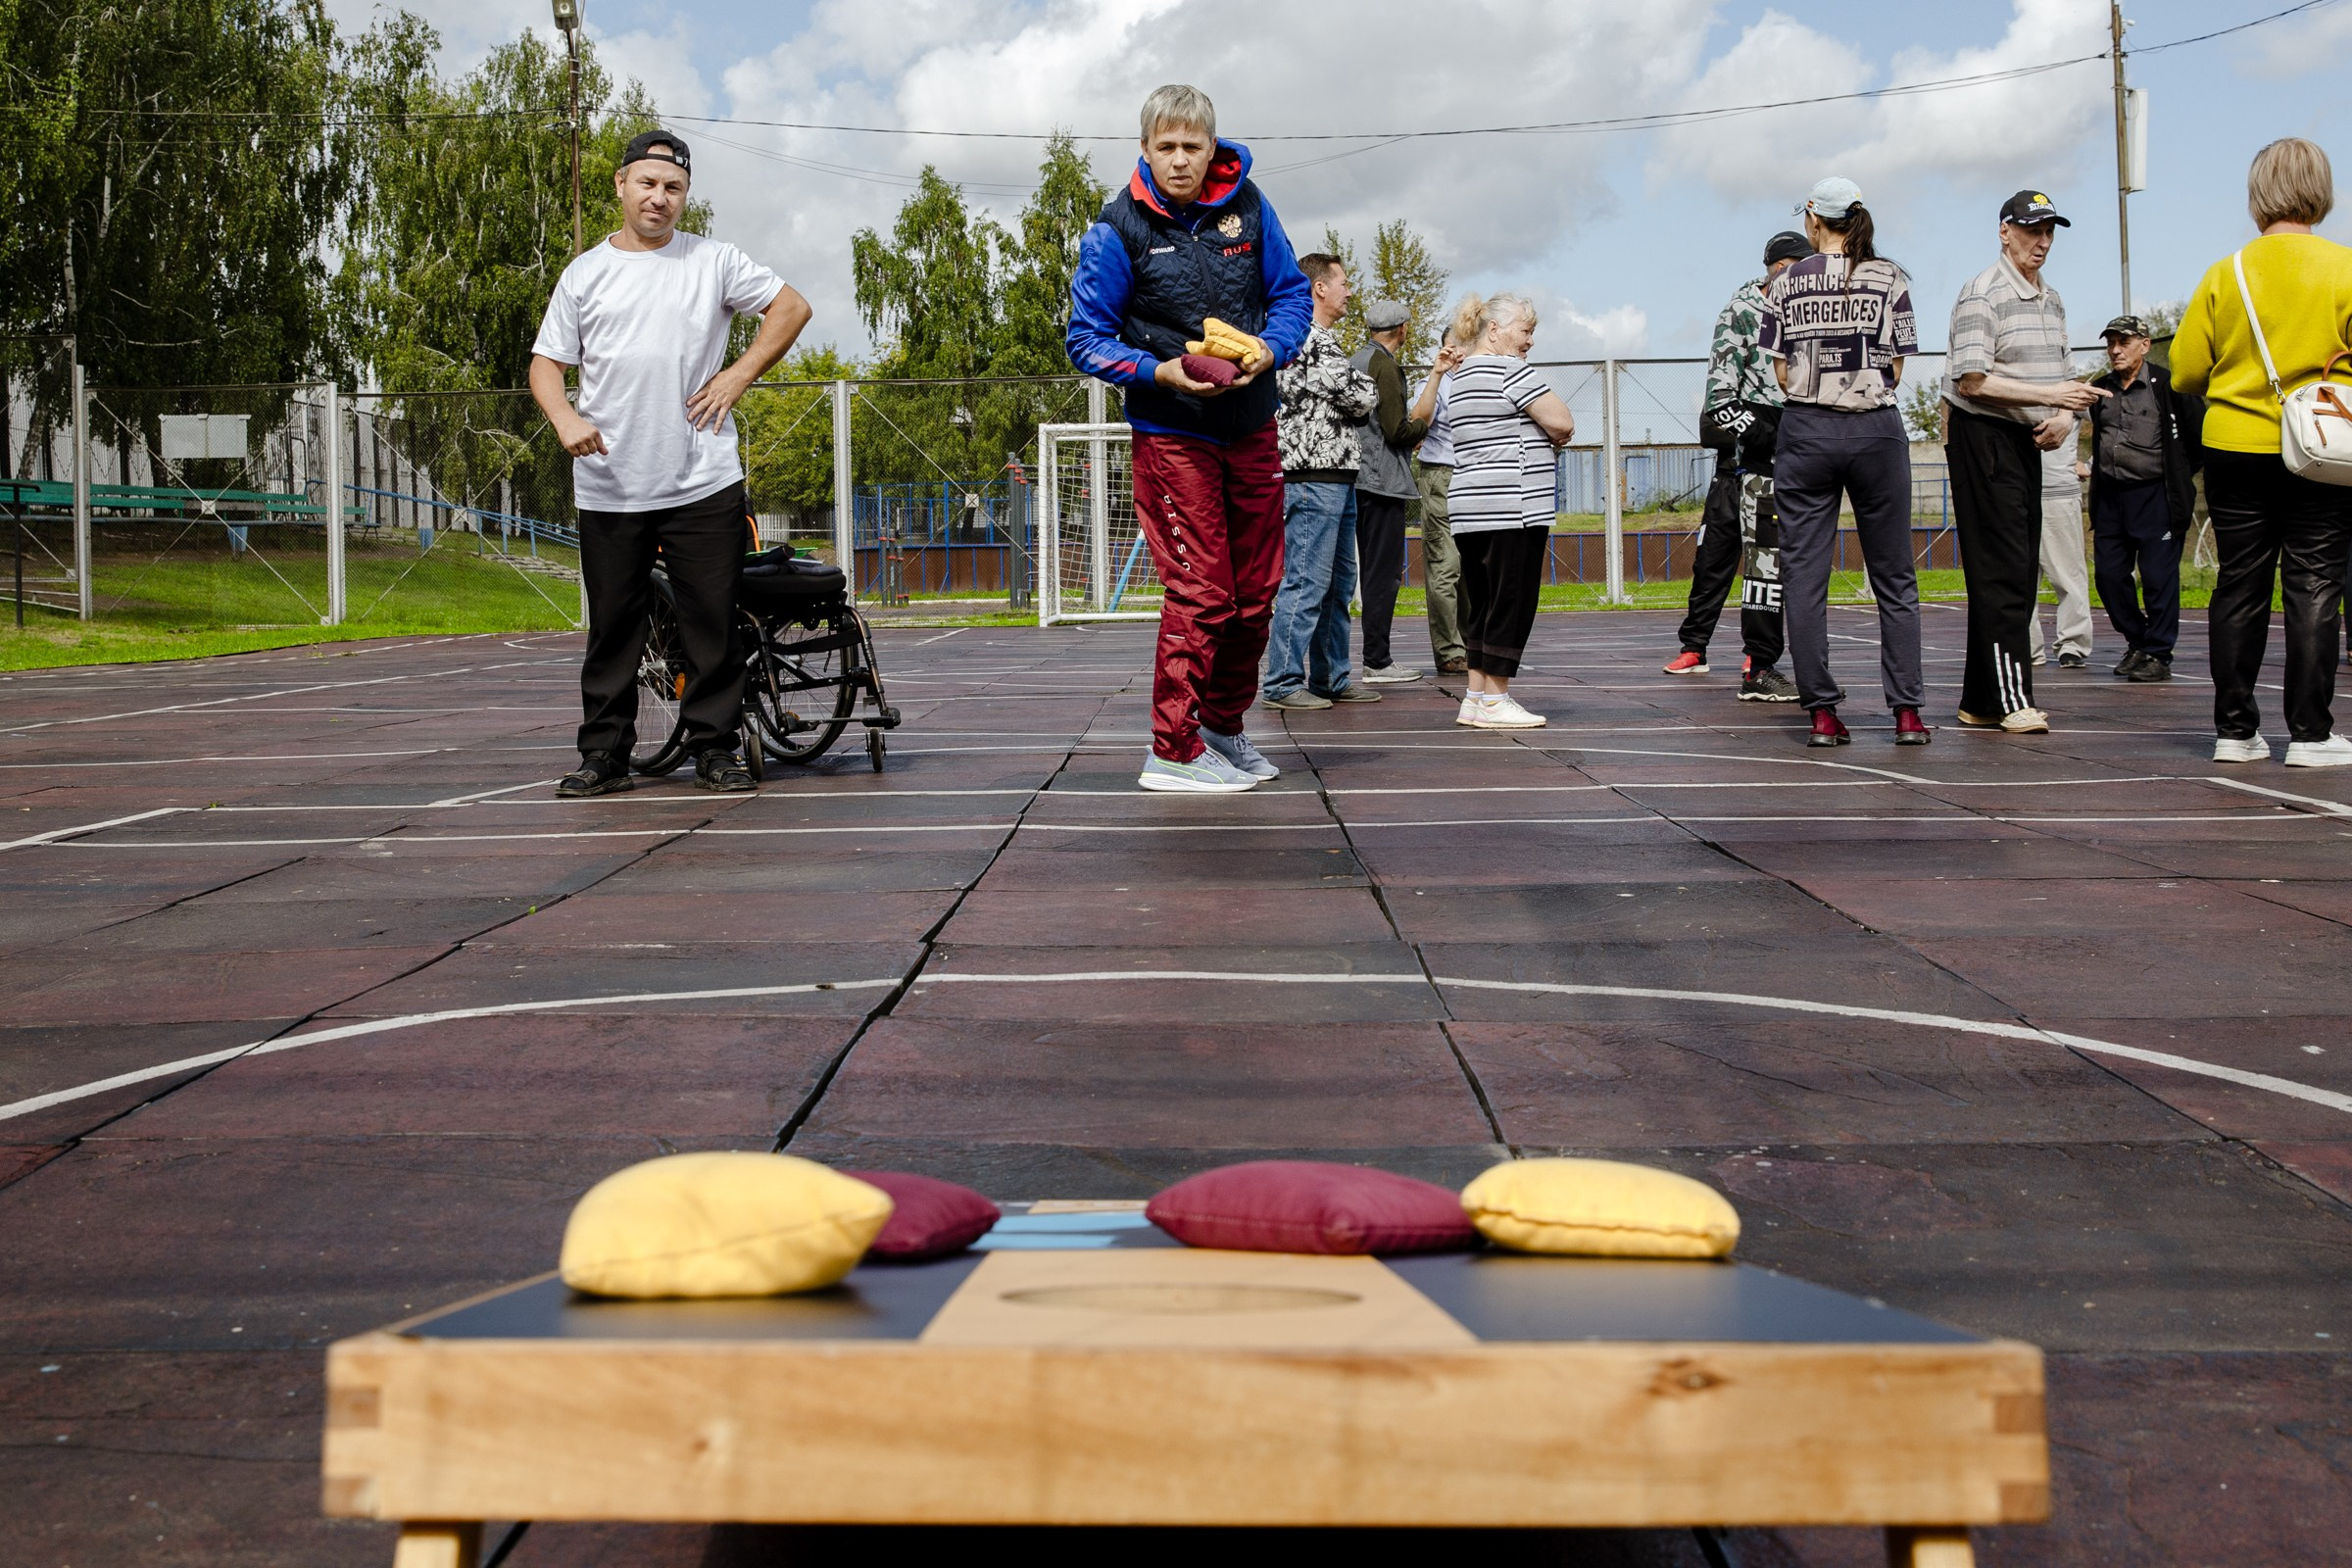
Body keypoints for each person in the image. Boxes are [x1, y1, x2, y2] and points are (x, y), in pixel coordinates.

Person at [529, 128, 811, 799]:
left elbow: (791, 307)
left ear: (686, 196)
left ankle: (714, 750)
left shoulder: (713, 261)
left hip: (700, 478)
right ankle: (604, 756)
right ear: (622, 186)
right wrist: (565, 417)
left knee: (710, 621)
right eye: (649, 184)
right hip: (610, 483)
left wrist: (740, 375)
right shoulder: (585, 274)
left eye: (674, 188)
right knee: (615, 630)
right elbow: (546, 364)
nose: (660, 198)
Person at [1066, 84, 1315, 791]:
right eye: (1165, 147)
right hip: (1172, 433)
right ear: (1144, 148)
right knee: (1204, 591)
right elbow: (1084, 340)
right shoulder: (1118, 228)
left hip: (1251, 425)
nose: (1179, 160)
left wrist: (1271, 348)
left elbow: (1292, 294)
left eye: (1192, 147)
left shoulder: (1250, 206)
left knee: (1258, 591)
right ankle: (1171, 750)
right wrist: (1161, 371)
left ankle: (1221, 729)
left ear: (1213, 149)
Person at [2172, 136, 2352, 767]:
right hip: (2323, 451)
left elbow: (2186, 371)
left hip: (2234, 447)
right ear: (2321, 190)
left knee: (2240, 585)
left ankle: (2235, 730)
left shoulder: (2228, 272)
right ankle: (2309, 734)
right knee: (2315, 585)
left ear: (2257, 195)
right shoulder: (2345, 268)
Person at [1758, 175, 1931, 748]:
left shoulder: (1786, 282)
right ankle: (1906, 712)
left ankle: (1823, 715)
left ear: (1813, 218)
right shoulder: (1889, 276)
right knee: (1894, 576)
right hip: (1875, 430)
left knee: (1805, 578)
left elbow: (1779, 371)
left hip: (1806, 430)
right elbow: (1900, 367)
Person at [1942, 190, 2110, 734]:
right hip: (1983, 436)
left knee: (2013, 568)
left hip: (2028, 440)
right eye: (2031, 230)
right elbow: (1972, 379)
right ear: (2004, 231)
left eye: (2049, 232)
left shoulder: (2053, 300)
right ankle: (2014, 699)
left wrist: (2066, 418)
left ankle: (1980, 701)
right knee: (2005, 573)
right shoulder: (1982, 294)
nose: (2042, 242)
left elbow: (2064, 383)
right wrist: (2050, 397)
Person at [1666, 229, 1808, 702]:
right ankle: (1727, 656)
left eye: (1800, 266)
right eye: (1785, 266)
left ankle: (1759, 661)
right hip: (1748, 458)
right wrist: (1767, 433)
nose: (1793, 274)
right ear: (1769, 267)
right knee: (1726, 561)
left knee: (1774, 567)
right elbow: (1719, 399)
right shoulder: (1742, 312)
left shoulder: (1809, 308)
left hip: (1794, 451)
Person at [1444, 293, 1577, 728]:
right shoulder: (1510, 371)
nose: (1530, 341)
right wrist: (1547, 433)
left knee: (1482, 602)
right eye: (1525, 330)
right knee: (1511, 601)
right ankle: (1497, 698)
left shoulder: (1459, 376)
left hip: (1470, 506)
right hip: (1513, 504)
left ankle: (1476, 696)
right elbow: (1562, 422)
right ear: (1495, 330)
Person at [1262, 255, 1380, 711]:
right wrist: (1362, 393)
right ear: (1319, 288)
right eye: (1344, 282)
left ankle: (1331, 675)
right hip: (1312, 476)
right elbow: (1362, 394)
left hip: (1335, 473)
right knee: (1308, 581)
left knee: (1336, 584)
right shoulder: (1307, 338)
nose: (1350, 291)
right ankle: (1282, 682)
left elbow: (1356, 395)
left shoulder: (1320, 341)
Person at [2085, 314, 2203, 682]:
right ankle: (2139, 640)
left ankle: (2158, 653)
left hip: (2156, 496)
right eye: (2111, 343)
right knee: (2108, 575)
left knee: (2158, 577)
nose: (2115, 350)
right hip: (2111, 498)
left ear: (2145, 344)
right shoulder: (2101, 388)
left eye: (2123, 342)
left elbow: (2197, 438)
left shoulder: (2168, 385)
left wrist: (2179, 475)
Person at [1351, 299, 1431, 683]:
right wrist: (1422, 428)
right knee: (1382, 575)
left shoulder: (1356, 360)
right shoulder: (1384, 366)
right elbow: (1397, 429)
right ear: (1402, 329)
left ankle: (1353, 661)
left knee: (1355, 574)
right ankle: (1377, 661)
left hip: (1354, 479)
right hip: (1382, 482)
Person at [1411, 327, 1470, 674]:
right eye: (1455, 345)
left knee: (1472, 568)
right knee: (1445, 566)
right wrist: (1438, 373)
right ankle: (1450, 651)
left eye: (1467, 344)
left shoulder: (1484, 379)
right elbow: (1420, 421)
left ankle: (1471, 640)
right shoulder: (1434, 382)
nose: (1460, 352)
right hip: (1441, 476)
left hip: (1475, 478)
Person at [2032, 443, 2095, 668]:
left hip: (2057, 493)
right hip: (2012, 489)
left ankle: (2073, 644)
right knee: (2016, 578)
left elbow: (2108, 416)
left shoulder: (2072, 406)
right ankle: (2024, 645)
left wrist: (2090, 465)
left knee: (2067, 575)